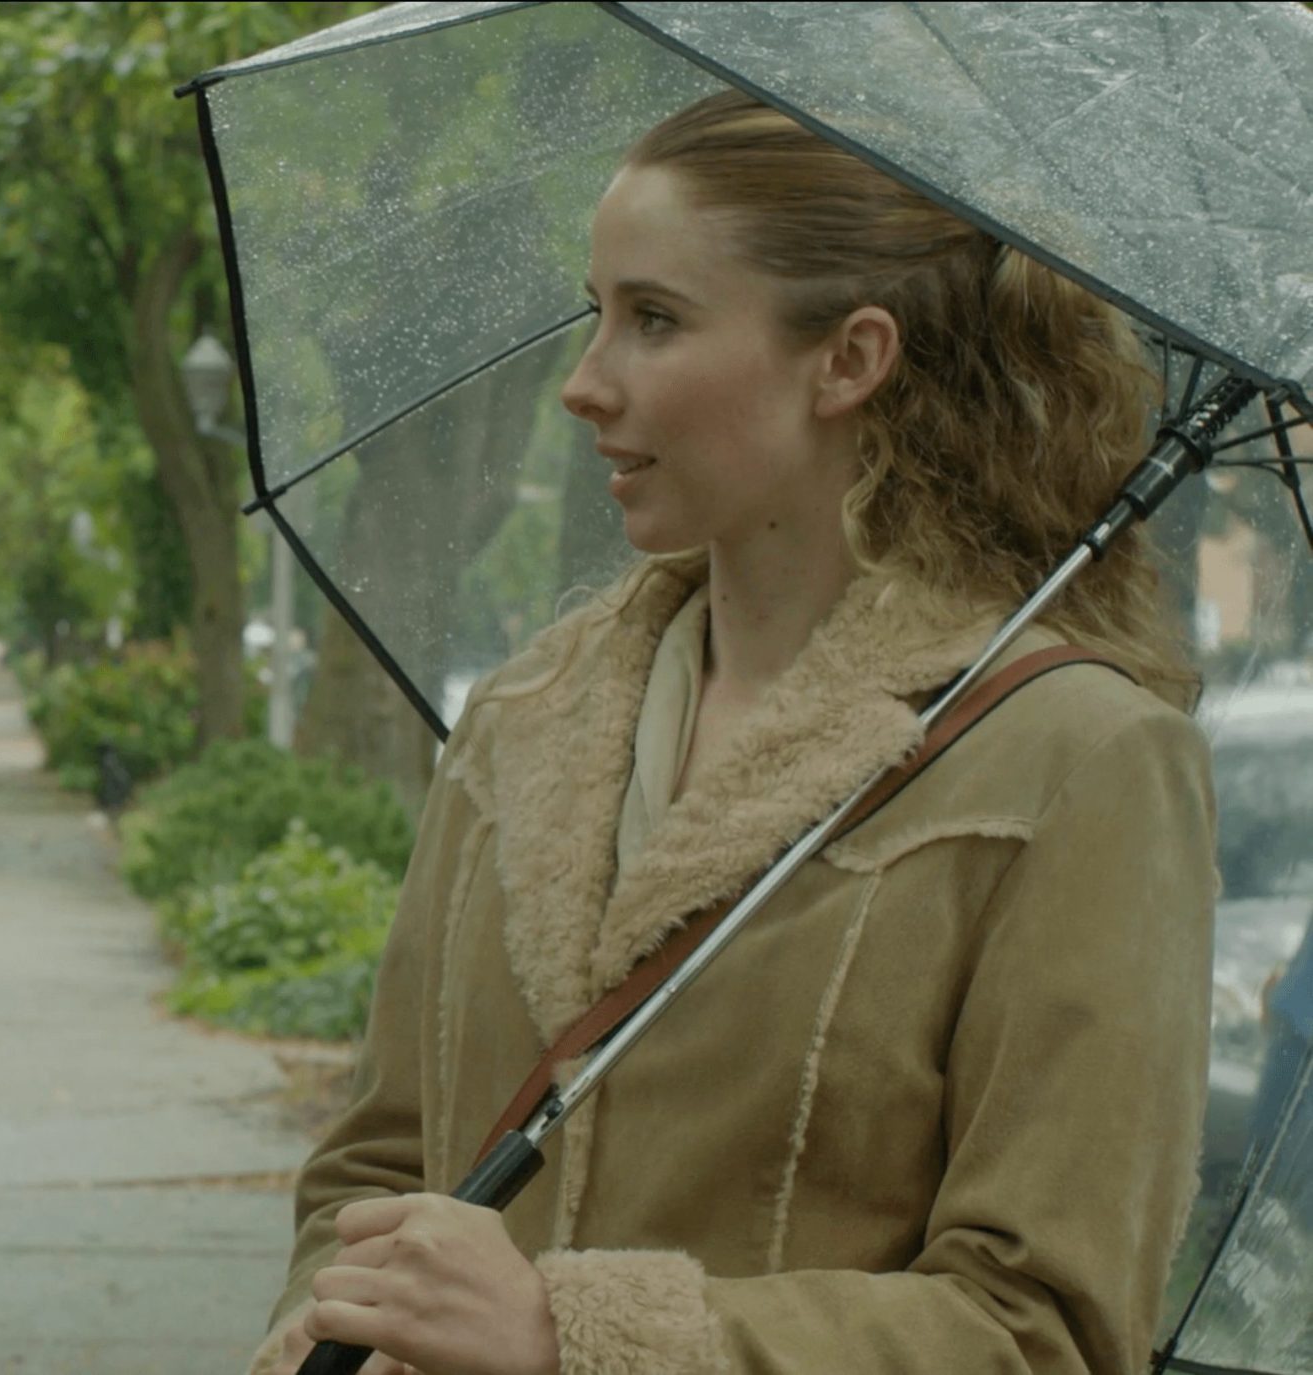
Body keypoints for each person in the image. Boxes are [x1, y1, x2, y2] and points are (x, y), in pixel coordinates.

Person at [252, 90, 1216, 1375]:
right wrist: (331, 1326)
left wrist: (567, 1334)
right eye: (597, 313)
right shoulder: (522, 721)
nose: (585, 384)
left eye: (654, 319)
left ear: (850, 359)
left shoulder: (1074, 762)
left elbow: (1045, 1331)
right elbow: (376, 1164)